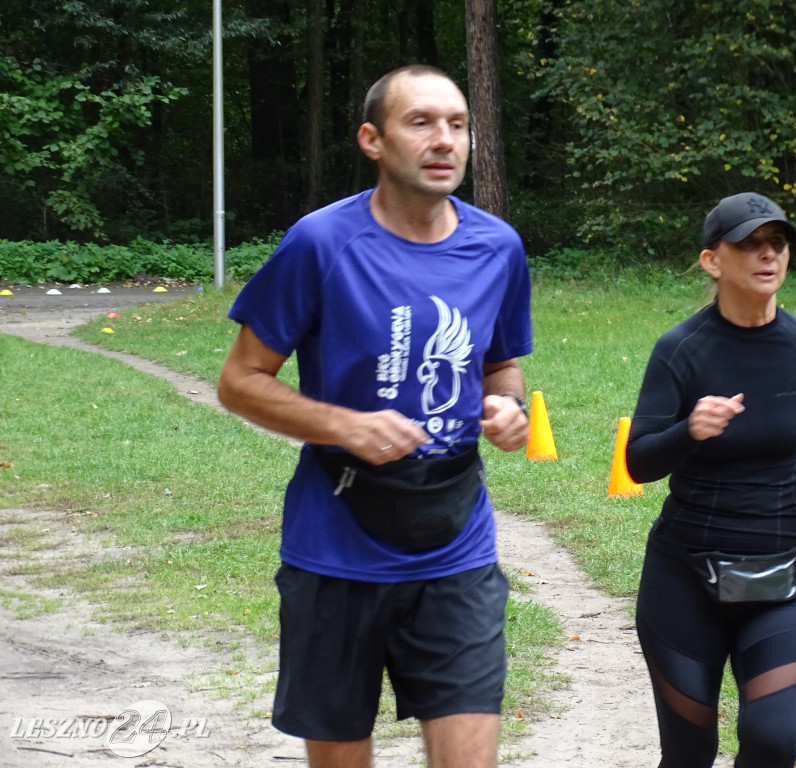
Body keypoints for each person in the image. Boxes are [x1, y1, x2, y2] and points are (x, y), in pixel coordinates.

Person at [217, 65, 532, 768]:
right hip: (337, 540)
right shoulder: (320, 244)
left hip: (455, 540)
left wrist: (506, 409)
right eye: (420, 122)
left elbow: (502, 366)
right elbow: (240, 382)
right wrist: (345, 425)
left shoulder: (497, 249)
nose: (444, 140)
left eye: (457, 124)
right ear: (372, 139)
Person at [625, 192, 796, 768]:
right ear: (712, 261)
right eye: (748, 244)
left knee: (774, 741)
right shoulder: (681, 350)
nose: (767, 254)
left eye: (776, 243)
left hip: (783, 576)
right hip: (684, 582)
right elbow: (638, 462)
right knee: (688, 753)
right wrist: (689, 430)